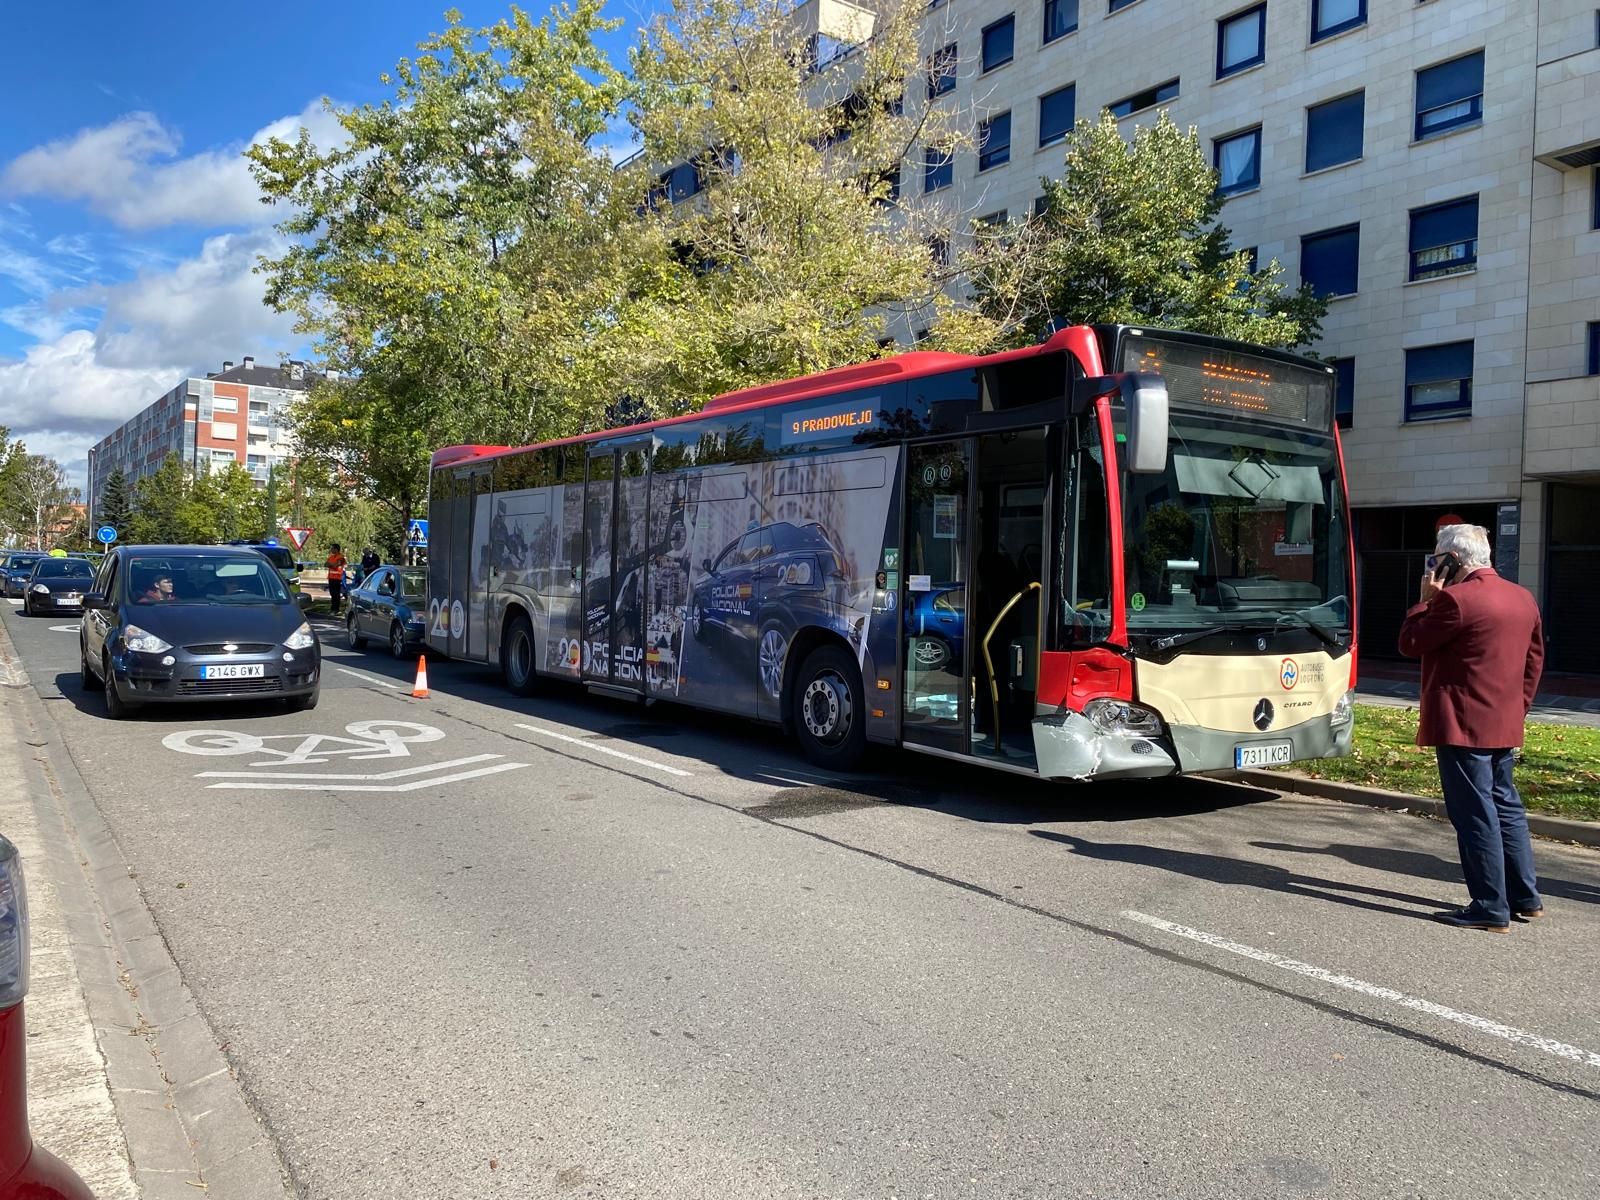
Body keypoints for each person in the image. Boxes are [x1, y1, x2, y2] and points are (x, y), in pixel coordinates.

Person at [1398, 523, 1545, 933]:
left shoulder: (1455, 601)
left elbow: (1410, 643)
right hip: (1504, 719)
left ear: (1452, 560)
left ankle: (1489, 907)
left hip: (1462, 724)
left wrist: (1424, 601)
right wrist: (1518, 709)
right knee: (1507, 809)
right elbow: (1534, 663)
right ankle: (1526, 898)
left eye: (1437, 557)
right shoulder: (1523, 598)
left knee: (1475, 814)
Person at [325, 543, 348, 615]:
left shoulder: (341, 557)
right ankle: (332, 608)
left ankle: (336, 609)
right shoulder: (331, 557)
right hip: (331, 577)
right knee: (332, 594)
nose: (331, 550)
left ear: (336, 549)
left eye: (332, 548)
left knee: (336, 594)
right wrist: (332, 564)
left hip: (337, 578)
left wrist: (330, 564)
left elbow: (336, 565)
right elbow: (325, 564)